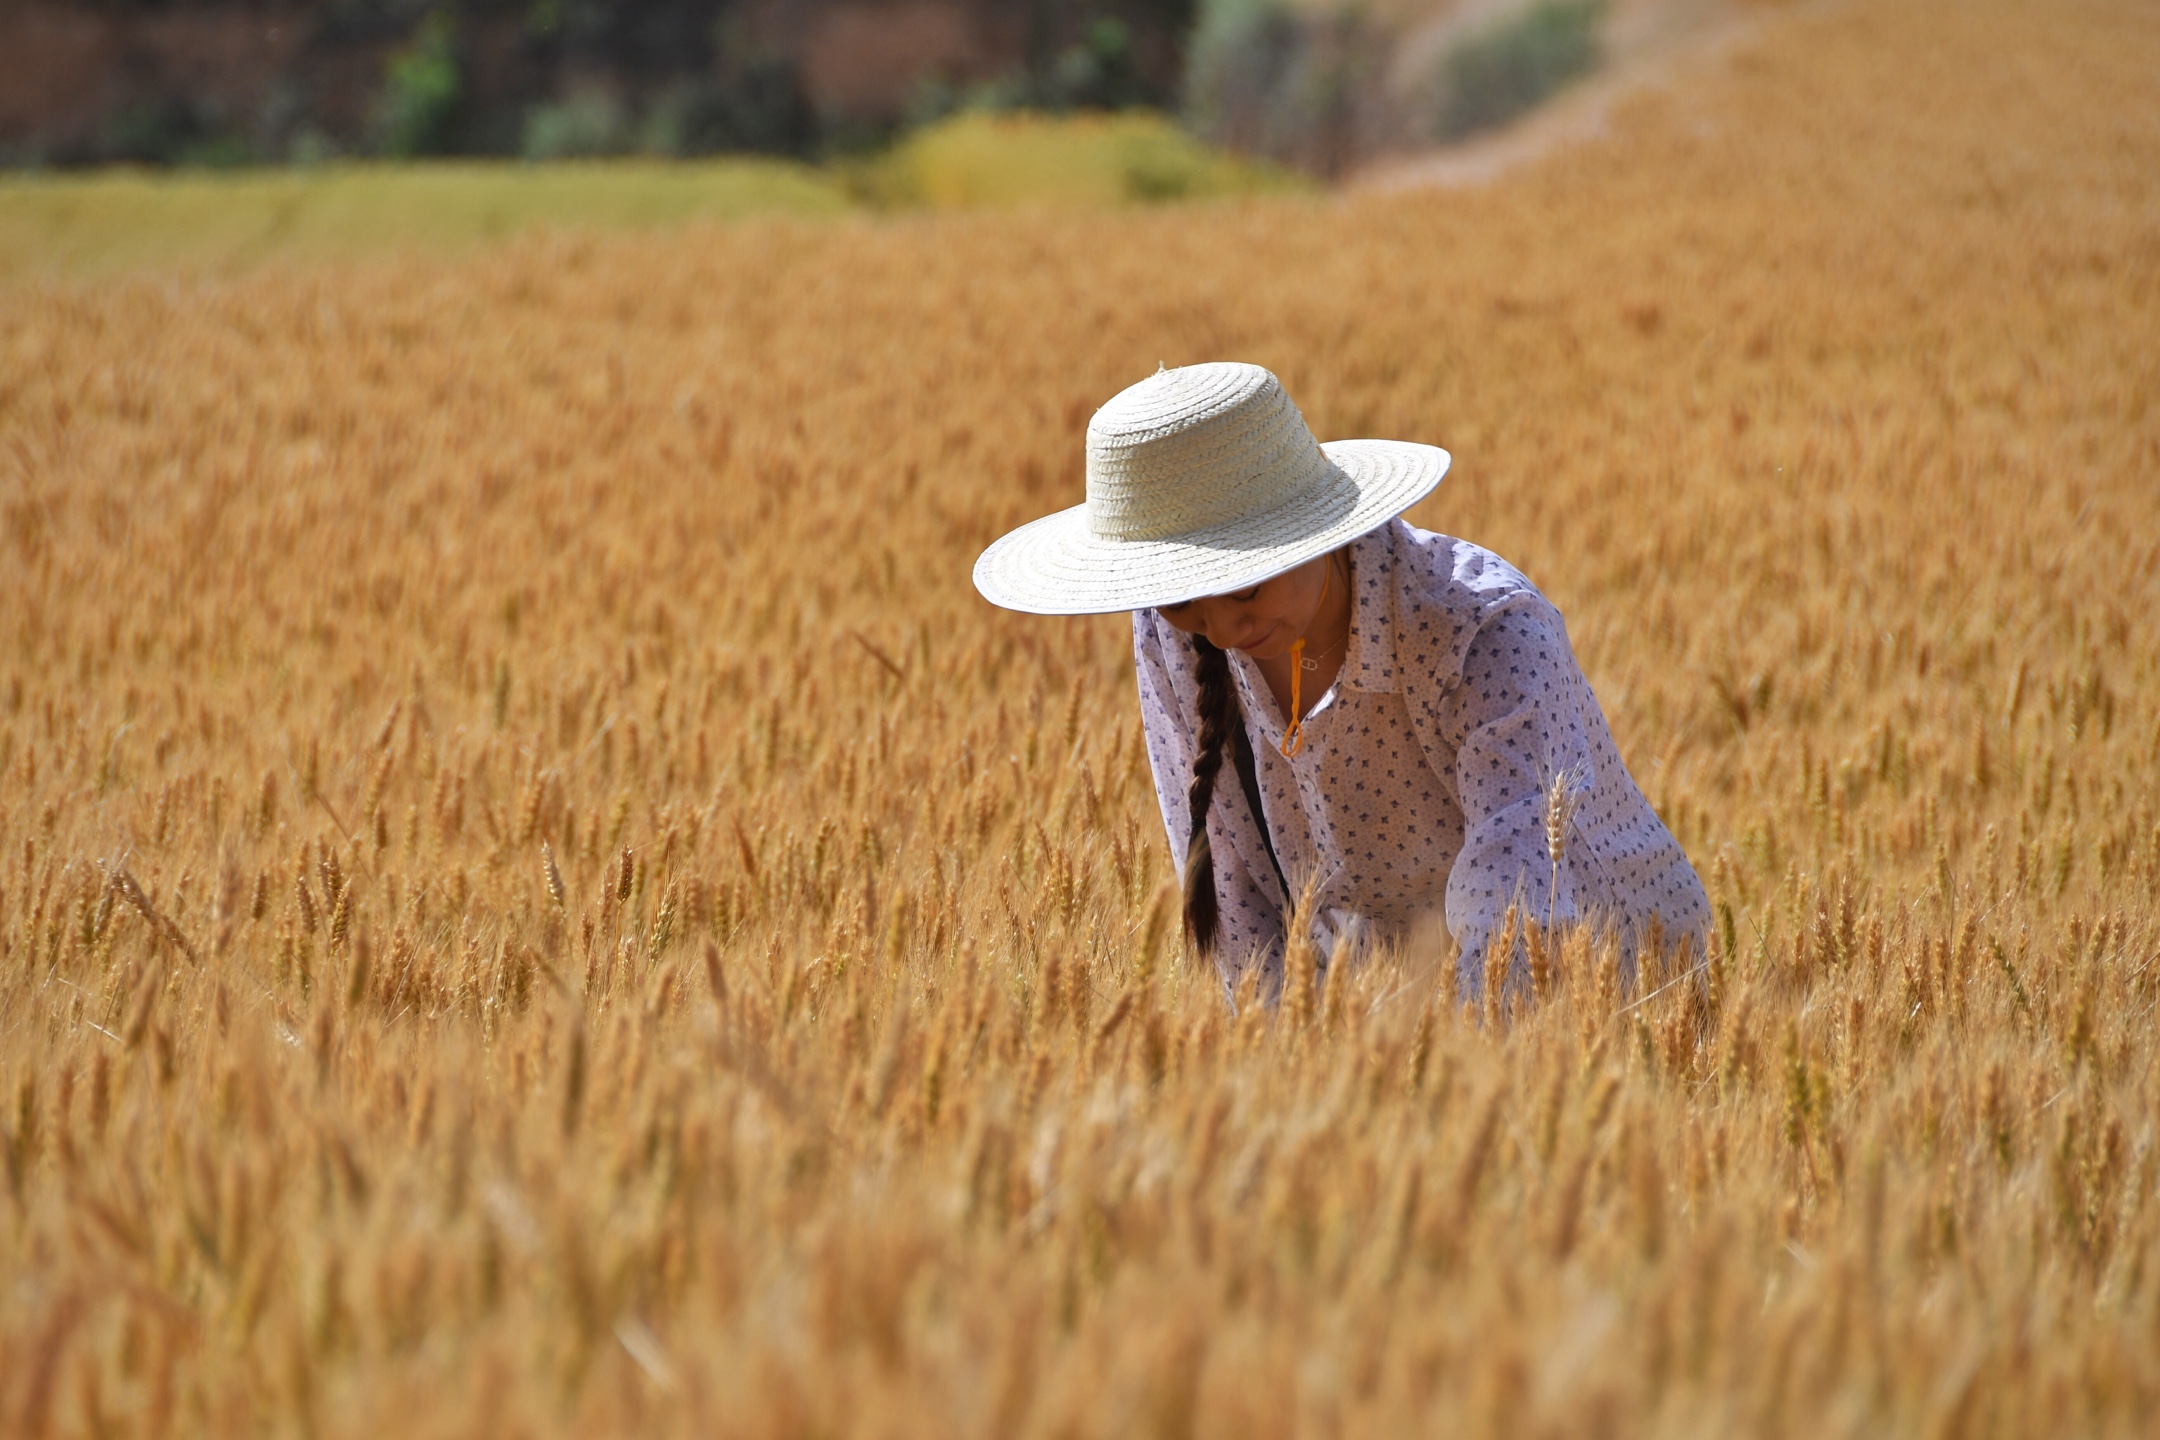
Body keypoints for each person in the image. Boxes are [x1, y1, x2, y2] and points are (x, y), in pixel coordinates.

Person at [974, 362, 1709, 998]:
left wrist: (1462, 1082)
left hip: (1614, 992)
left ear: (1314, 534)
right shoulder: (1171, 630)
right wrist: (1283, 1073)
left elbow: (1517, 911)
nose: (1222, 630)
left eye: (1245, 589)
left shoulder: (1484, 636)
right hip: (1389, 1018)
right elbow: (1230, 882)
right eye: (1185, 599)